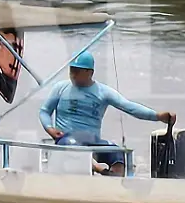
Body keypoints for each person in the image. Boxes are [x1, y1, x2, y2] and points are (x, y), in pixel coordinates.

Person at [37, 51, 175, 176]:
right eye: (71, 70)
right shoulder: (60, 88)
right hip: (66, 140)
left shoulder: (103, 92)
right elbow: (44, 111)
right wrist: (50, 128)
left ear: (90, 72)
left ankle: (115, 181)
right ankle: (100, 170)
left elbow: (129, 107)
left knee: (117, 153)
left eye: (77, 71)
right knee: (73, 147)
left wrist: (158, 116)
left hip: (92, 140)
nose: (73, 74)